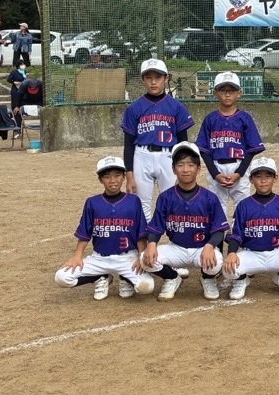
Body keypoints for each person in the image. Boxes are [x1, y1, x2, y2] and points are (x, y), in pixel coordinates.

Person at [54, 156, 155, 300]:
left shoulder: (133, 201)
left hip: (127, 257)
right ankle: (100, 277)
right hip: (99, 258)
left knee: (146, 286)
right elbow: (84, 233)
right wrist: (77, 256)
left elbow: (141, 233)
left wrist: (141, 256)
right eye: (107, 177)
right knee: (61, 277)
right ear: (100, 180)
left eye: (117, 175)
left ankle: (126, 278)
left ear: (124, 177)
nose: (112, 180)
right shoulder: (92, 202)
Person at [140, 142, 229, 301]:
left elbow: (219, 230)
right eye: (180, 165)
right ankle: (172, 278)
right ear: (174, 169)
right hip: (176, 248)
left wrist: (210, 246)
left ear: (198, 168)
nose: (185, 169)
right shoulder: (166, 197)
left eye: (190, 165)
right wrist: (152, 244)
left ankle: (207, 279)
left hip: (201, 248)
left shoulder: (209, 198)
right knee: (145, 259)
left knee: (216, 262)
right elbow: (156, 227)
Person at [223, 157, 279, 299]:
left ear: (275, 178)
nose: (263, 180)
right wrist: (231, 253)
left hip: (277, 253)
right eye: (258, 176)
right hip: (251, 254)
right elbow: (236, 234)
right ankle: (241, 280)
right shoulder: (244, 205)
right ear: (251, 179)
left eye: (268, 176)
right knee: (228, 269)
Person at [121, 59, 194, 221]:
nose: (153, 82)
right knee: (141, 205)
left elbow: (183, 143)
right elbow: (128, 144)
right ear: (143, 80)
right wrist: (129, 175)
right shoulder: (133, 108)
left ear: (166, 78)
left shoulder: (176, 107)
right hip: (142, 155)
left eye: (158, 77)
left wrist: (182, 167)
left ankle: (173, 237)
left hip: (168, 156)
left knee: (173, 202)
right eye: (148, 77)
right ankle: (145, 238)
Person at [195, 71, 265, 219]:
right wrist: (215, 174)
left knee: (242, 208)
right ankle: (219, 235)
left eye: (231, 90)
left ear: (239, 93)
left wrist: (239, 173)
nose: (227, 94)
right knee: (217, 210)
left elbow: (251, 149)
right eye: (222, 90)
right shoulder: (210, 119)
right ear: (215, 93)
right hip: (216, 167)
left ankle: (239, 235)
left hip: (239, 166)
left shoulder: (245, 118)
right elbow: (203, 150)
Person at [7, 60, 26, 135]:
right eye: (22, 64)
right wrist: (14, 82)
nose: (23, 65)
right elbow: (8, 79)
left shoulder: (24, 72)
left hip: (22, 91)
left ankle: (19, 127)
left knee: (20, 110)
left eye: (23, 64)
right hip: (15, 92)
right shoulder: (14, 72)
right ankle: (16, 129)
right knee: (15, 109)